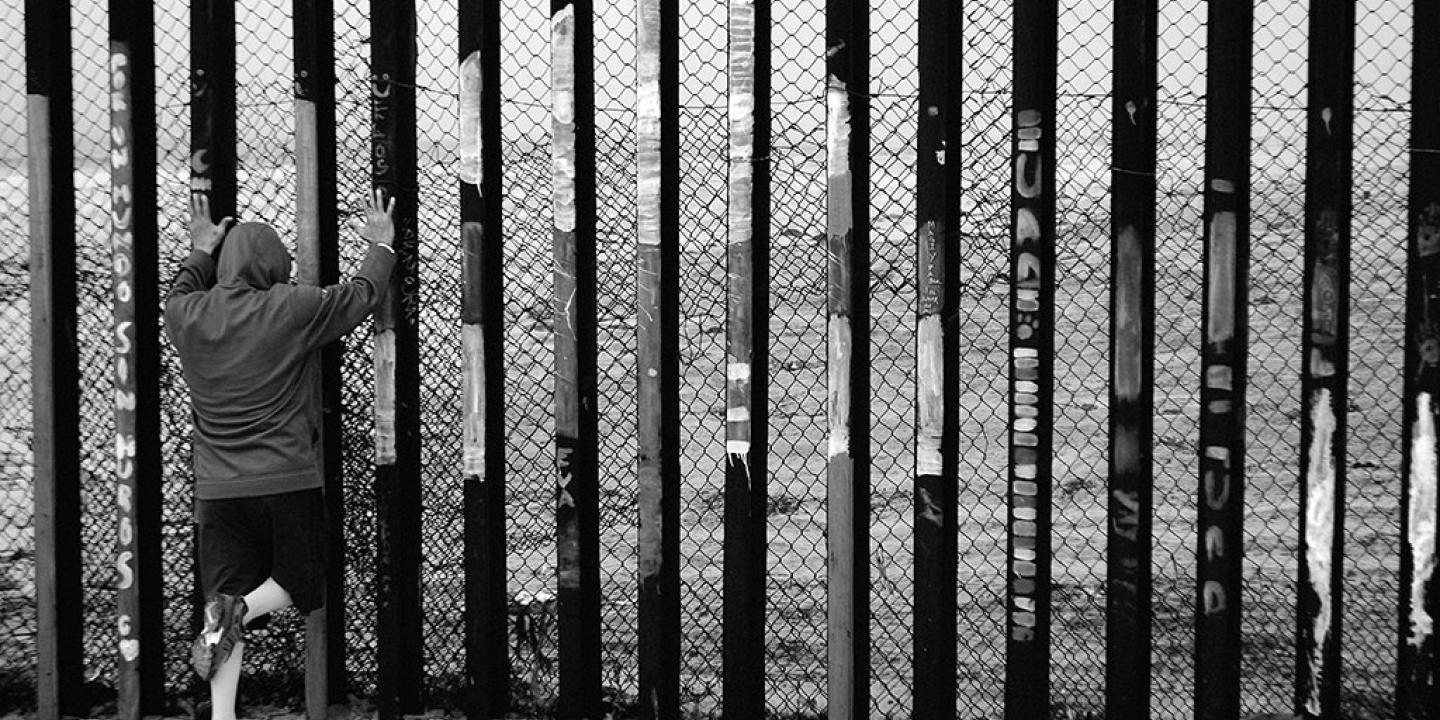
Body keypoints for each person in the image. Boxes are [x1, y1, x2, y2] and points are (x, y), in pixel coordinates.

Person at [165, 189, 397, 719]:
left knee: (218, 608)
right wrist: (380, 246)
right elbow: (358, 296)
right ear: (275, 265)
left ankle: (223, 710)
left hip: (217, 491)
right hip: (285, 478)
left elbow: (180, 288)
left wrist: (201, 249)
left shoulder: (185, 316)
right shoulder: (289, 307)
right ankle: (243, 608)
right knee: (299, 578)